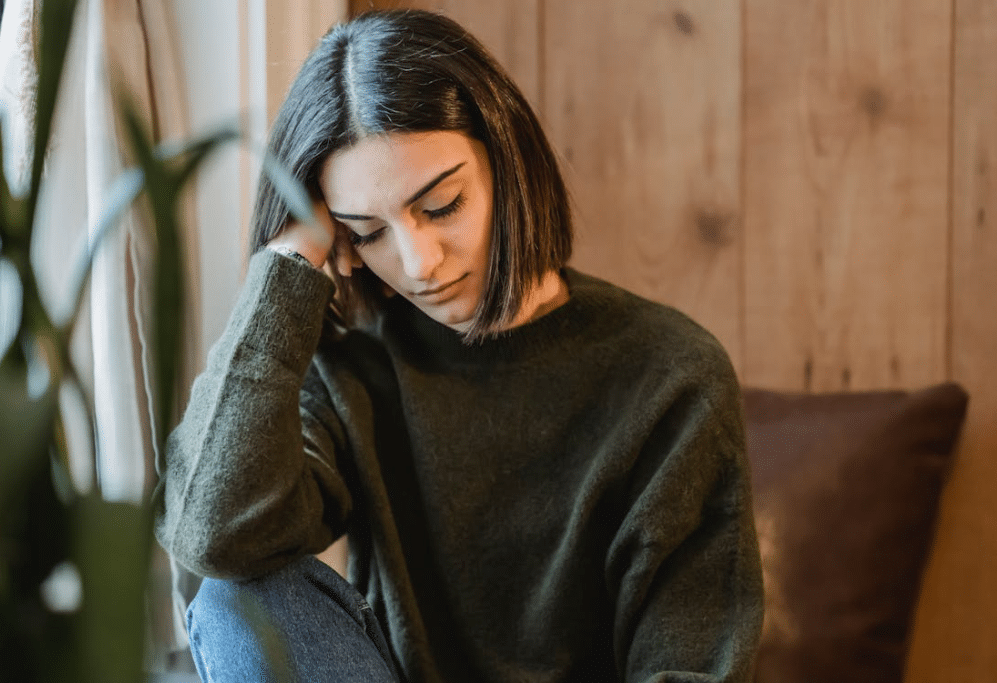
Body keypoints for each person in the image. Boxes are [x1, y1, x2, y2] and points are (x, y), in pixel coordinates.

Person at [155, 8, 764, 683]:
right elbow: (213, 533)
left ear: (506, 160)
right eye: (368, 232)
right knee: (238, 592)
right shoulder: (356, 364)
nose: (419, 262)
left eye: (441, 205)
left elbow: (692, 667)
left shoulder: (672, 375)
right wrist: (289, 267)